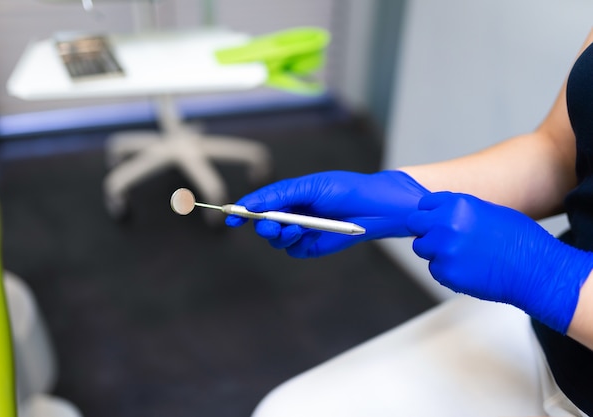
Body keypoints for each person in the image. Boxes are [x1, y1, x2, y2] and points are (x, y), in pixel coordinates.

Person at [225, 26, 593, 417]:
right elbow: (557, 152)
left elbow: (551, 276)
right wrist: (404, 194)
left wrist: (553, 278)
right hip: (549, 343)